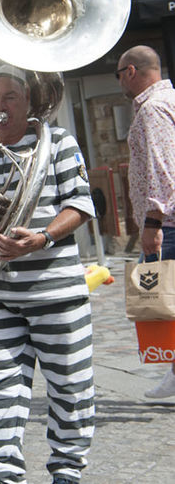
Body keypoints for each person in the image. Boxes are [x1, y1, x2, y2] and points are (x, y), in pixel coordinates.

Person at [0, 67, 95, 484]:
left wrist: (43, 237)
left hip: (57, 292)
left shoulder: (59, 141)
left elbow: (81, 204)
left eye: (9, 97)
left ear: (28, 100)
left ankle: (67, 471)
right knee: (0, 390)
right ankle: (3, 473)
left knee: (70, 388)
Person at [116, 45, 175, 399]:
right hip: (167, 223)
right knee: (157, 301)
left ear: (132, 71)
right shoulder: (168, 101)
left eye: (119, 73)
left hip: (168, 224)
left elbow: (163, 169)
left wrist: (152, 223)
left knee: (156, 301)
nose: (120, 81)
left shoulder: (152, 109)